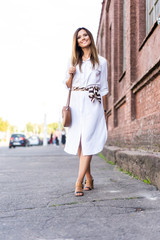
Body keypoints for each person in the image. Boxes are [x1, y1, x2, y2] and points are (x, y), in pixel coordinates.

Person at [63, 27, 108, 197]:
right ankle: (89, 177)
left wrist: (104, 111)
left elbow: (104, 88)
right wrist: (69, 74)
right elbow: (67, 85)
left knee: (88, 138)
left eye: (85, 35)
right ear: (76, 42)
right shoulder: (72, 60)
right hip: (76, 102)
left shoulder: (102, 61)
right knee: (80, 142)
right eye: (79, 37)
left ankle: (78, 181)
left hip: (92, 102)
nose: (83, 38)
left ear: (90, 37)